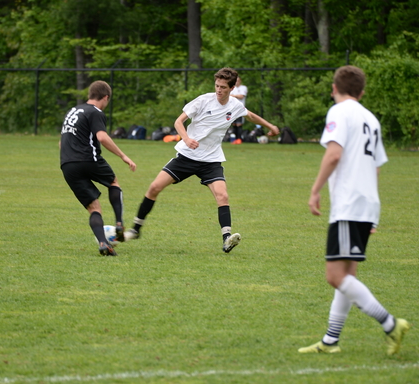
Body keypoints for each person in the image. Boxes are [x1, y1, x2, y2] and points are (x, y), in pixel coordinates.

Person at [299, 65, 410, 355]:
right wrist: (372, 211)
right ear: (361, 92)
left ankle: (390, 324)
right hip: (366, 203)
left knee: (335, 276)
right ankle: (330, 341)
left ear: (334, 88)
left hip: (349, 204)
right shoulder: (371, 118)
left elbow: (333, 154)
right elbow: (376, 167)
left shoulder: (339, 112)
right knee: (348, 275)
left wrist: (315, 190)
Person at [124, 67, 279, 253]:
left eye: (223, 87)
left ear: (232, 88)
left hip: (211, 161)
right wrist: (186, 139)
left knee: (223, 196)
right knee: (154, 188)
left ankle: (227, 239)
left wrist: (270, 126)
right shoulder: (203, 100)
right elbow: (178, 122)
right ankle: (136, 229)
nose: (219, 90)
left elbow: (250, 115)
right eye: (217, 85)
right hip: (187, 157)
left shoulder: (235, 106)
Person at [60, 80, 136, 256]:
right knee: (113, 182)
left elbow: (61, 142)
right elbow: (102, 137)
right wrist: (123, 156)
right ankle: (119, 223)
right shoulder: (95, 112)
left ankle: (103, 243)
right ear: (106, 97)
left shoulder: (72, 111)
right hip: (88, 158)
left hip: (67, 164)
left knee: (94, 208)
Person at [230, 76, 248, 144]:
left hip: (240, 108)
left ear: (240, 81)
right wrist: (235, 96)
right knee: (234, 124)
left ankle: (239, 139)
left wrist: (233, 96)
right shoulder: (232, 88)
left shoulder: (243, 88)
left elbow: (241, 96)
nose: (236, 82)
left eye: (238, 81)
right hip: (232, 108)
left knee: (239, 124)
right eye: (235, 81)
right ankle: (235, 139)